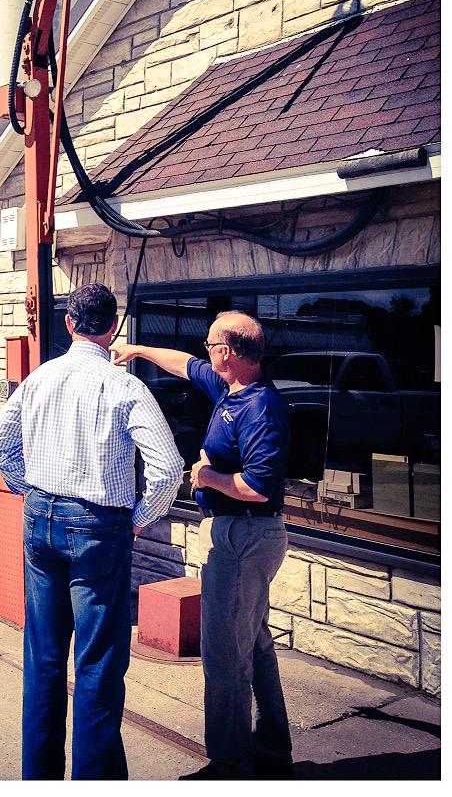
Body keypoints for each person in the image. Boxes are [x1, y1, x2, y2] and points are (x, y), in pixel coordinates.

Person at [0, 283, 184, 781]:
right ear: (113, 329)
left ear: (70, 324)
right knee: (96, 663)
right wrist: (139, 519)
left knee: (45, 658)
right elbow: (167, 470)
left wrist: (28, 491)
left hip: (41, 521)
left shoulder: (40, 378)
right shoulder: (125, 387)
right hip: (98, 529)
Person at [111, 311, 293, 780]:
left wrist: (206, 475)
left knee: (224, 656)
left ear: (227, 352)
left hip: (244, 534)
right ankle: (272, 750)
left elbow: (258, 486)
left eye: (211, 343)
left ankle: (230, 766)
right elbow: (183, 364)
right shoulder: (229, 390)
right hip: (239, 533)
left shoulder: (260, 408)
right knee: (252, 643)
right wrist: (137, 350)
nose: (205, 351)